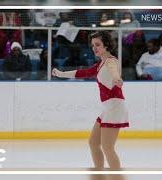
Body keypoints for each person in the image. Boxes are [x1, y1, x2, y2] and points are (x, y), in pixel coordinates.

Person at [52, 31, 129, 170]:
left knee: (108, 147)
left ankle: (117, 176)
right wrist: (61, 73)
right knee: (93, 143)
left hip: (115, 106)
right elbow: (83, 72)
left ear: (106, 45)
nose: (94, 48)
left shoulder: (111, 61)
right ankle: (99, 173)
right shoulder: (100, 64)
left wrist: (117, 78)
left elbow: (114, 71)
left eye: (98, 44)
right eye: (93, 45)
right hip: (107, 108)